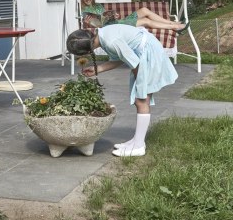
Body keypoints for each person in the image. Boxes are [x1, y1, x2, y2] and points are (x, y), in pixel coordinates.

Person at [66, 25, 178, 157]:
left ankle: (139, 146)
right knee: (140, 100)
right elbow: (122, 58)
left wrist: (140, 85)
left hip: (149, 54)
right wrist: (98, 69)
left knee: (141, 100)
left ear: (86, 51)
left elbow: (135, 63)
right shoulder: (103, 35)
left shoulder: (110, 41)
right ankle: (136, 140)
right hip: (145, 52)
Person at [79, 0, 187, 32]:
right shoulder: (84, 11)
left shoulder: (98, 6)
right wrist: (88, 23)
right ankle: (175, 27)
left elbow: (105, 16)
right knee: (146, 21)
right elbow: (98, 26)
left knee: (144, 10)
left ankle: (172, 23)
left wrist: (114, 15)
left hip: (118, 22)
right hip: (114, 28)